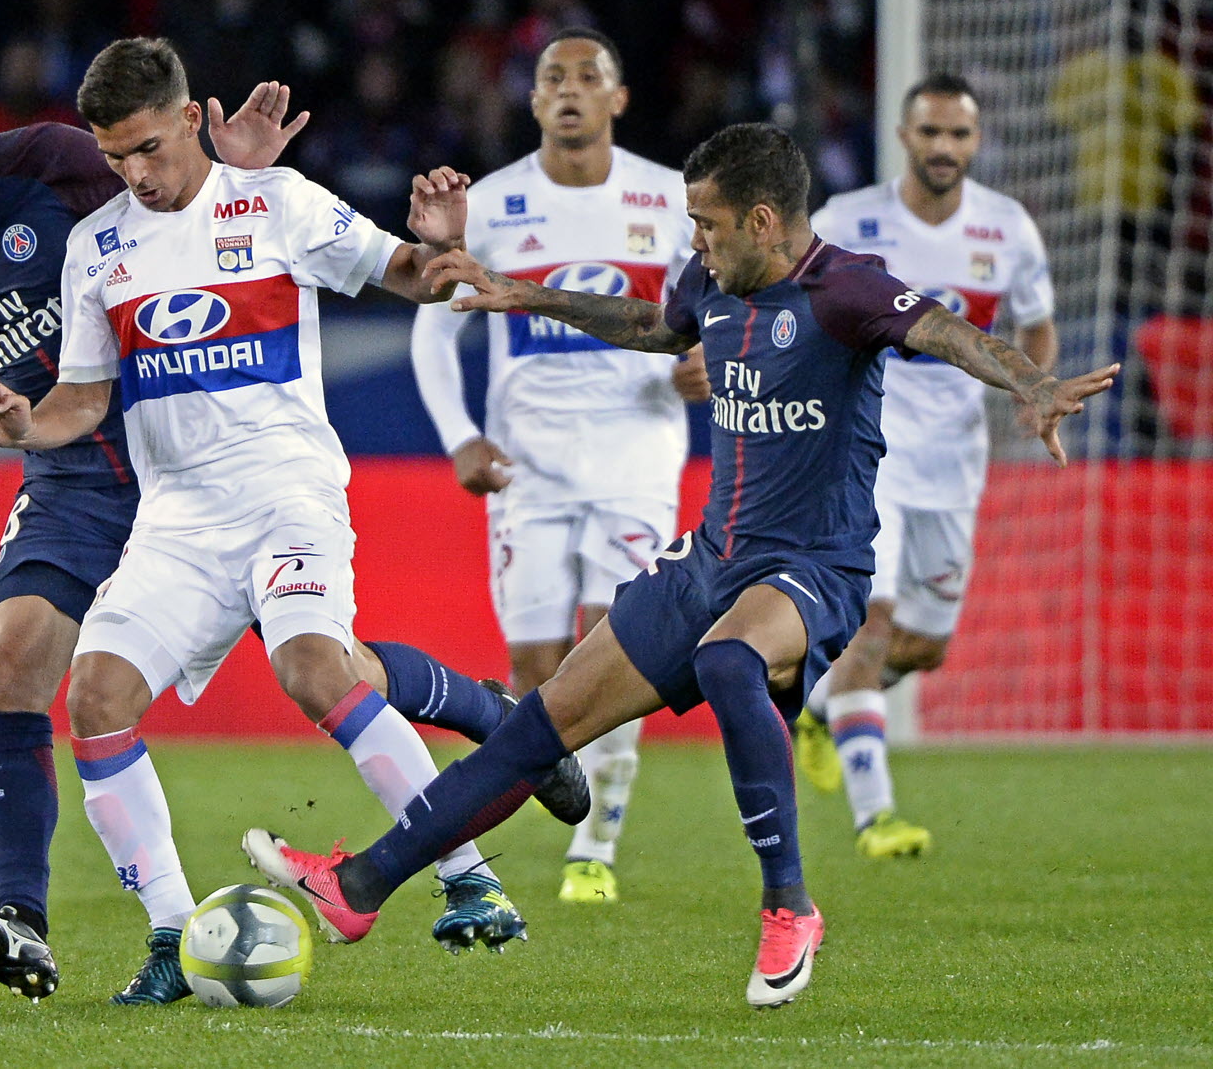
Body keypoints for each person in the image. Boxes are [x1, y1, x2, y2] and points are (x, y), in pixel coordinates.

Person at [242, 122, 1117, 1008]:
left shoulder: (846, 288)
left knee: (730, 658)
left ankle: (789, 907)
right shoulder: (711, 279)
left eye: (707, 222)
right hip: (710, 562)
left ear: (764, 220)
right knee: (534, 735)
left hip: (816, 568)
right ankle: (356, 891)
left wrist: (1031, 385)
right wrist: (520, 295)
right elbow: (655, 326)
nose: (693, 241)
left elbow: (947, 333)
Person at [0, 37, 586, 1004]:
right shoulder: (98, 248)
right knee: (94, 699)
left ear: (193, 117)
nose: (137, 176)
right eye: (116, 157)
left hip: (287, 488)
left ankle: (468, 881)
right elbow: (83, 400)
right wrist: (22, 425)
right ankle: (170, 936)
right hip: (174, 518)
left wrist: (445, 243)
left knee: (313, 668)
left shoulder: (276, 202)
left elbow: (413, 274)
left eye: (152, 149)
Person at [0, 46, 316, 1002]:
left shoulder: (54, 160)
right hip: (72, 473)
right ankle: (24, 920)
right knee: (9, 667)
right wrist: (16, 419)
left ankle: (485, 719)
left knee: (324, 667)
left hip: (186, 455)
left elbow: (179, 210)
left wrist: (243, 177)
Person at [410, 27, 708, 904]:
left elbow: (718, 307)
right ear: (533, 101)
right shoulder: (495, 204)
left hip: (636, 453)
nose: (570, 90)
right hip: (528, 465)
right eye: (552, 78)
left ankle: (596, 847)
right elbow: (436, 324)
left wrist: (711, 362)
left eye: (590, 77)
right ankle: (554, 800)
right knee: (535, 670)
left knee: (623, 648)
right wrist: (460, 435)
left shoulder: (668, 199)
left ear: (619, 99)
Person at [794, 74, 1058, 857]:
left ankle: (822, 712)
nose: (945, 148)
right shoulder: (849, 222)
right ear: (905, 137)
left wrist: (1032, 387)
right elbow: (789, 309)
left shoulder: (1006, 228)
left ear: (975, 143)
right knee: (872, 624)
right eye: (931, 133)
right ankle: (878, 817)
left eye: (959, 135)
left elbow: (1037, 327)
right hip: (865, 451)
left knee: (925, 646)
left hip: (955, 457)